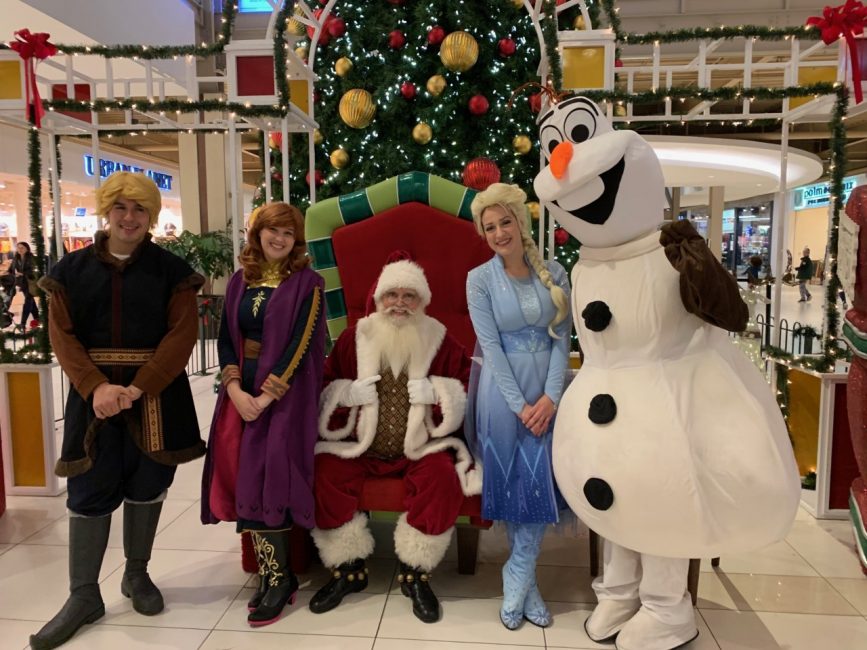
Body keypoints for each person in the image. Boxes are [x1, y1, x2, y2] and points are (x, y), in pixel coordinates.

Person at [32, 172, 207, 650]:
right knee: (89, 487)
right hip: (93, 398)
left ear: (152, 216)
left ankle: (136, 574)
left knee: (148, 482)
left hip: (156, 395)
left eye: (140, 209)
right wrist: (97, 387)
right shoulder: (69, 271)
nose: (130, 218)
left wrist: (138, 387)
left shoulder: (173, 272)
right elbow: (63, 337)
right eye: (121, 208)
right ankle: (83, 595)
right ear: (107, 211)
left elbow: (181, 336)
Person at [309, 253, 478, 623]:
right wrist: (345, 394)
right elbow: (324, 383)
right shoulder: (356, 336)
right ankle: (348, 570)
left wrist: (439, 393)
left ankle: (415, 573)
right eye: (392, 295)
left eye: (408, 296)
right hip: (361, 446)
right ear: (379, 298)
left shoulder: (439, 339)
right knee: (324, 471)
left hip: (419, 448)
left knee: (442, 477)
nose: (399, 304)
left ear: (422, 301)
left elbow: (470, 384)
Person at [201, 202, 326, 627]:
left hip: (284, 400)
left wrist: (266, 397)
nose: (280, 239)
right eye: (273, 230)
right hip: (240, 394)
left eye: (288, 234)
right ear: (258, 233)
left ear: (296, 241)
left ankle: (281, 578)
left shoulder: (308, 284)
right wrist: (235, 389)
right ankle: (274, 575)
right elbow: (225, 339)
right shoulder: (240, 280)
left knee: (272, 480)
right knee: (245, 477)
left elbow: (301, 345)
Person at [465, 183, 572, 630]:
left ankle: (519, 574)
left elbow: (563, 340)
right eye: (489, 227)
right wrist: (521, 406)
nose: (498, 233)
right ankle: (525, 583)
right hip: (502, 393)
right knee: (514, 484)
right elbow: (490, 347)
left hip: (548, 390)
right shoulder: (479, 280)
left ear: (520, 221)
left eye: (505, 222)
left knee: (540, 481)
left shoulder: (556, 272)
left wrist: (551, 397)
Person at [8, 241, 40, 330]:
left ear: (27, 249)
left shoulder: (31, 258)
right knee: (31, 302)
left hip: (30, 283)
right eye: (18, 248)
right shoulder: (16, 258)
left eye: (22, 248)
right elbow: (11, 270)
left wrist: (22, 274)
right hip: (21, 283)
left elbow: (34, 271)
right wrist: (13, 274)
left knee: (28, 301)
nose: (20, 249)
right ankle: (37, 318)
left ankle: (23, 323)